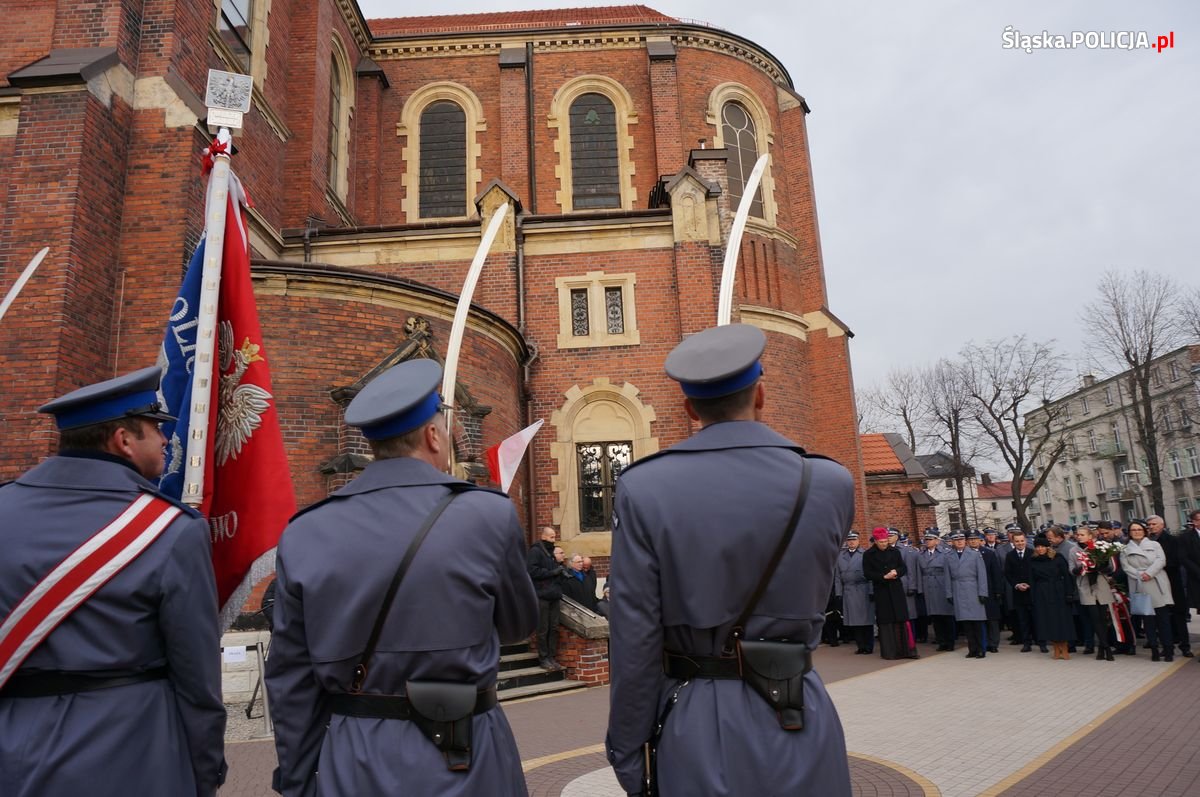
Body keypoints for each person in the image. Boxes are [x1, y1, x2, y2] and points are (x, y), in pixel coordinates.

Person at [265, 359, 538, 797]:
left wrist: (298, 782)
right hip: (466, 754)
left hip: (354, 758)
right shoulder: (488, 514)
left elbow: (290, 679)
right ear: (433, 435)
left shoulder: (304, 531)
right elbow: (517, 626)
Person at [606, 324, 854, 796]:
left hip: (697, 715)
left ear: (689, 408)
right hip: (800, 708)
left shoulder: (644, 487)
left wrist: (627, 747)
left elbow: (634, 636)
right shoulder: (829, 481)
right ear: (761, 395)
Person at [0, 366, 226, 796]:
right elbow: (196, 677)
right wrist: (204, 768)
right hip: (129, 749)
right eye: (155, 428)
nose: (165, 440)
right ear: (123, 440)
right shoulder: (171, 529)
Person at [1123, 519, 1174, 661]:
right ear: (1129, 533)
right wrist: (1140, 575)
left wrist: (1149, 573)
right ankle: (1154, 650)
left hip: (1156, 581)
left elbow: (1161, 560)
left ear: (1145, 531)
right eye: (1133, 530)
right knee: (1148, 621)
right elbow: (1126, 566)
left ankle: (1168, 650)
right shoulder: (1125, 549)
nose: (1136, 532)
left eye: (1139, 529)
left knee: (1163, 619)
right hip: (1139, 584)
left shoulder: (1154, 544)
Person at [863, 528, 918, 660]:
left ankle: (907, 650)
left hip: (896, 589)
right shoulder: (868, 554)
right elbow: (867, 573)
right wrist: (883, 576)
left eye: (885, 541)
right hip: (881, 590)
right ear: (875, 541)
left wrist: (896, 572)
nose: (884, 544)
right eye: (881, 542)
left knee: (901, 618)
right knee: (886, 620)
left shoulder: (895, 551)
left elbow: (903, 567)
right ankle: (890, 652)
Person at [1148, 515, 1192, 659]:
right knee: (1162, 616)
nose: (1151, 527)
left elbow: (1176, 560)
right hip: (1155, 582)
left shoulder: (1172, 540)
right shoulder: (1147, 542)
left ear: (1162, 525)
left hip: (1173, 582)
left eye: (1154, 524)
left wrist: (1157, 567)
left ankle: (1185, 646)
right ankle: (1167, 645)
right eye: (1149, 525)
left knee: (1179, 615)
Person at [1074, 525, 1118, 662]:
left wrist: (1099, 565)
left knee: (1103, 618)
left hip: (1101, 584)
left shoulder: (1101, 547)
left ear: (1090, 536)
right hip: (1086, 586)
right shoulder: (1073, 550)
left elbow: (1111, 567)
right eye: (1077, 535)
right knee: (1094, 618)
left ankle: (1102, 648)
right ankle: (1106, 647)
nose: (1079, 537)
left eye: (1082, 535)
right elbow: (1072, 569)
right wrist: (1083, 567)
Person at [1030, 534, 1077, 660]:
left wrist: (1069, 593)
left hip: (1058, 592)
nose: (1040, 549)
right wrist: (1033, 596)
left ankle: (1064, 647)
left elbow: (1066, 576)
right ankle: (1056, 648)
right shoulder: (1033, 560)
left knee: (1062, 620)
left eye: (1042, 546)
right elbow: (1031, 579)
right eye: (1037, 547)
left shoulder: (1057, 557)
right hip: (1042, 593)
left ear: (1047, 547)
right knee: (1048, 620)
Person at [945, 530, 989, 658]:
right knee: (966, 623)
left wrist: (983, 592)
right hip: (958, 590)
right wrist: (949, 593)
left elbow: (982, 575)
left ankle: (981, 649)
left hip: (973, 589)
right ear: (952, 542)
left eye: (961, 539)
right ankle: (972, 649)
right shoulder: (949, 556)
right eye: (956, 540)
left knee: (977, 622)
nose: (959, 542)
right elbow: (947, 577)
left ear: (965, 541)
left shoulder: (975, 554)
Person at [527, 527, 564, 670]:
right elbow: (532, 571)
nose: (554, 540)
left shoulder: (550, 552)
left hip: (554, 594)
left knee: (554, 628)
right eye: (551, 537)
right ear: (543, 536)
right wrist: (552, 572)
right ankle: (544, 658)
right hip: (542, 594)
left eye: (554, 537)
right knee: (543, 628)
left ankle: (551, 657)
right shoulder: (536, 551)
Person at [835, 532, 875, 653]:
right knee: (854, 621)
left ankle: (868, 646)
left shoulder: (865, 554)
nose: (851, 542)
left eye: (854, 539)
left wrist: (871, 590)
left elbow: (871, 574)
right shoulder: (840, 556)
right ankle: (860, 646)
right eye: (849, 540)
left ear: (858, 541)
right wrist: (838, 593)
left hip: (863, 589)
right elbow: (837, 577)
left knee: (866, 620)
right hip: (849, 591)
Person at [1004, 530, 1043, 652]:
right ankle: (1026, 643)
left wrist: (1030, 584)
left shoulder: (1033, 553)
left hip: (1032, 592)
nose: (1020, 543)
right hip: (1018, 593)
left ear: (1025, 541)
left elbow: (1038, 571)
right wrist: (1017, 585)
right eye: (1017, 541)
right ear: (1013, 542)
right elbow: (1008, 573)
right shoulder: (1010, 555)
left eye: (1022, 541)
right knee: (1023, 619)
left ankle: (1041, 642)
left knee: (1037, 618)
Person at [919, 530, 955, 651]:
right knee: (935, 617)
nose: (928, 542)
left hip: (942, 585)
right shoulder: (921, 554)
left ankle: (950, 642)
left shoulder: (946, 553)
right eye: (926, 539)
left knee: (946, 616)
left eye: (930, 539)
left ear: (937, 541)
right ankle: (941, 642)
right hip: (929, 587)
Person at [969, 530, 1004, 653]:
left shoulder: (989, 553)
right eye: (970, 539)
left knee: (992, 618)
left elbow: (996, 573)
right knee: (978, 619)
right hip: (973, 591)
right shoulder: (965, 555)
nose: (973, 541)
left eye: (975, 538)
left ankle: (993, 643)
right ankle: (981, 643)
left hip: (989, 590)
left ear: (980, 540)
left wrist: (998, 591)